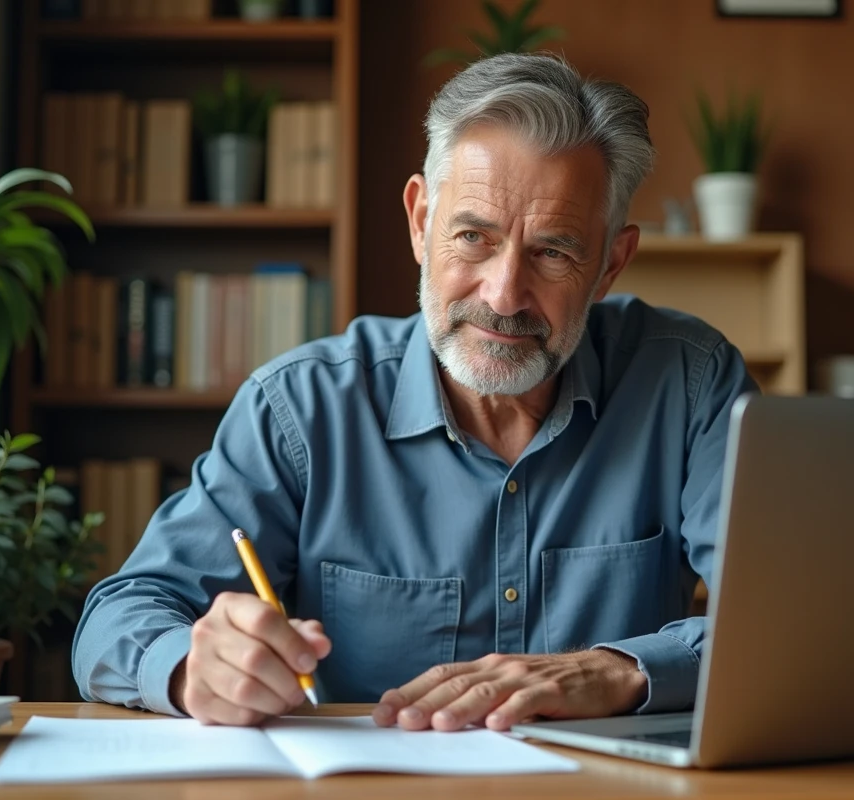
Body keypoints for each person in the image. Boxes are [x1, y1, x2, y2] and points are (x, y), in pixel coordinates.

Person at [72, 52, 757, 732]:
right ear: (420, 222)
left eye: (553, 252)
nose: (504, 295)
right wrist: (192, 667)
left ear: (610, 263)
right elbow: (117, 618)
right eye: (473, 237)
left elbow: (784, 624)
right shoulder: (301, 410)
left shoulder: (690, 384)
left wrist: (616, 670)